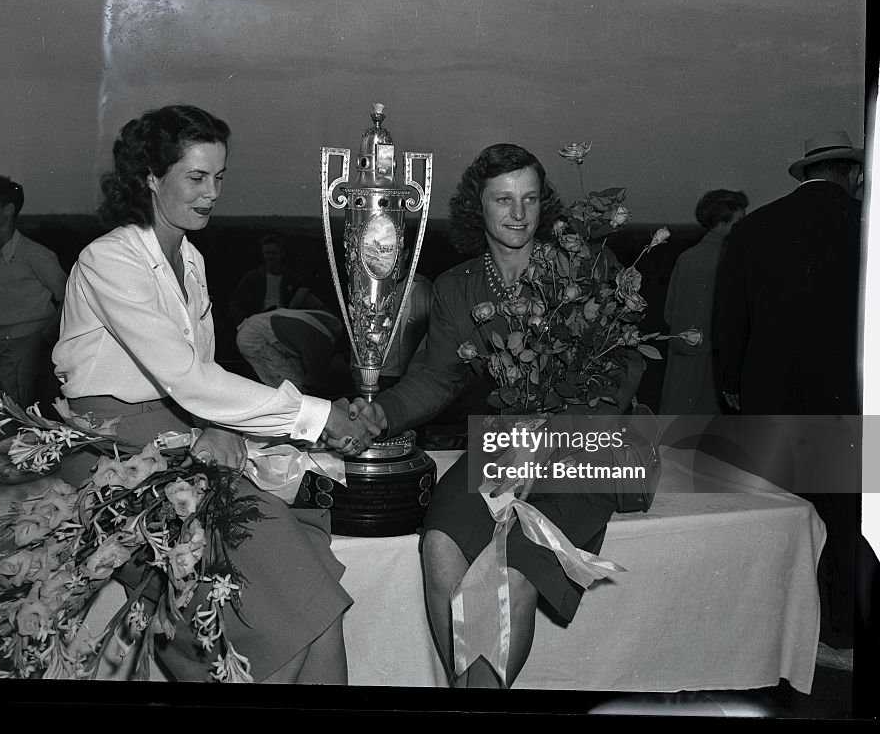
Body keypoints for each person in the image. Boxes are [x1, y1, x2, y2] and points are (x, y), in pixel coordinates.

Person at [52, 104, 377, 684]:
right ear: (150, 178)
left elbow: (199, 384)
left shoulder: (192, 259)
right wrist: (315, 415)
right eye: (196, 178)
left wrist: (221, 427)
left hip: (181, 437)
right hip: (115, 450)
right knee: (291, 612)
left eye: (218, 178)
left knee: (320, 611)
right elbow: (189, 379)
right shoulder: (110, 258)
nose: (211, 194)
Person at [349, 144, 642, 688]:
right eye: (503, 200)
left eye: (530, 199)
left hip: (590, 445)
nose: (519, 214)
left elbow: (625, 371)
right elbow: (437, 377)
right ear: (476, 209)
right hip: (503, 445)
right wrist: (379, 412)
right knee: (439, 546)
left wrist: (554, 439)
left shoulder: (590, 267)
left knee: (516, 565)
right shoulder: (459, 286)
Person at [716, 129, 864, 654]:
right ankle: (842, 632)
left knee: (779, 511)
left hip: (768, 394)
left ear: (805, 173)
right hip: (846, 397)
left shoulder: (754, 227)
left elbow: (730, 317)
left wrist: (730, 382)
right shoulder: (866, 226)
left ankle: (779, 629)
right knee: (846, 515)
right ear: (850, 173)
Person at [0, 175, 67, 409]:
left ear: (8, 209)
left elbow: (71, 300)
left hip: (39, 356)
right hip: (4, 358)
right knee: (6, 432)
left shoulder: (36, 255)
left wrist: (42, 342)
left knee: (37, 430)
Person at [659, 189, 748, 415]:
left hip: (681, 361)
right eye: (740, 220)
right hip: (715, 363)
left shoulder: (686, 257)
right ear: (722, 223)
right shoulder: (734, 258)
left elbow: (669, 313)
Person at [231, 234, 342, 395]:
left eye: (273, 253)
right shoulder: (253, 277)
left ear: (282, 254)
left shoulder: (292, 278)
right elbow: (236, 302)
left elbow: (303, 300)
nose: (270, 257)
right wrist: (242, 323)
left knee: (291, 376)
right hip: (260, 325)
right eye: (266, 253)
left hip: (284, 328)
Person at [377, 241, 432, 391]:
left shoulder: (420, 286)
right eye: (384, 251)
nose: (389, 257)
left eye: (394, 251)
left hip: (406, 377)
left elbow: (431, 335)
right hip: (374, 374)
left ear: (406, 254)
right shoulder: (373, 286)